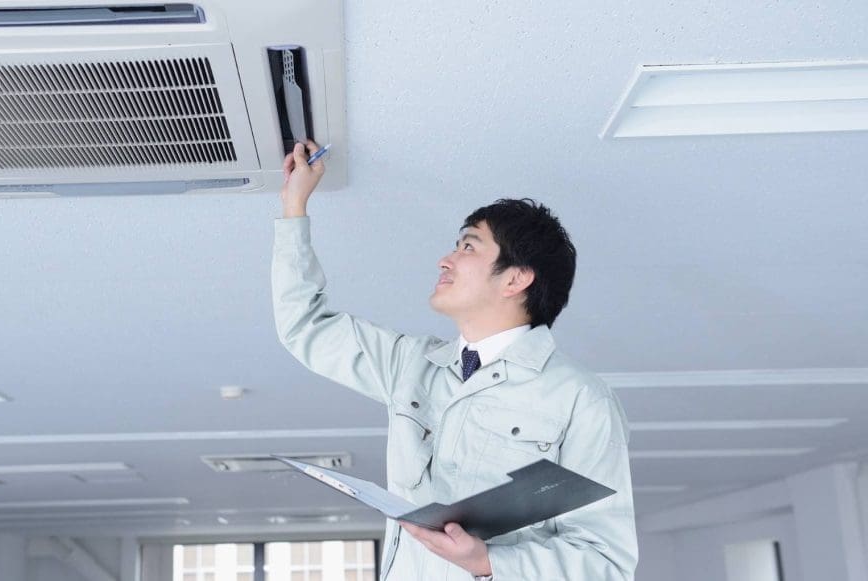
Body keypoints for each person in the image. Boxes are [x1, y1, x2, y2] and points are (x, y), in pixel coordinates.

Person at [272, 140, 638, 580]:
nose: (444, 260)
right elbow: (306, 327)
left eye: (468, 247)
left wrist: (488, 563)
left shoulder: (580, 399)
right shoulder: (412, 363)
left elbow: (606, 564)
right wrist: (294, 205)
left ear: (516, 279)